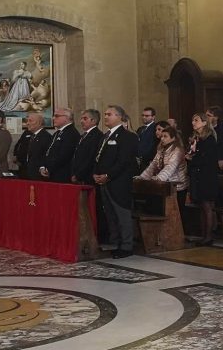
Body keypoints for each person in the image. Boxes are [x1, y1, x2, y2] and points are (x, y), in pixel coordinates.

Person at [92, 105, 139, 258]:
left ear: (119, 117)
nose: (106, 117)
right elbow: (99, 157)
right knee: (111, 214)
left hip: (119, 182)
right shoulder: (105, 136)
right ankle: (116, 242)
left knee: (122, 214)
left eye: (109, 114)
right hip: (104, 181)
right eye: (105, 114)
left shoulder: (128, 136)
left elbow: (123, 161)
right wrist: (96, 173)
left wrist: (108, 175)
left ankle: (126, 246)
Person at [186, 112, 221, 245]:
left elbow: (206, 158)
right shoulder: (197, 138)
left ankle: (208, 236)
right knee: (202, 205)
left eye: (196, 120)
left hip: (207, 176)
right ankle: (204, 234)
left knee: (207, 206)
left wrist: (193, 158)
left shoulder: (209, 139)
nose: (193, 123)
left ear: (205, 122)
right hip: (199, 175)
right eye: (193, 120)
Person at [138, 124, 188, 212]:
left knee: (177, 212)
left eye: (165, 136)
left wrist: (159, 178)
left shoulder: (178, 150)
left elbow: (170, 167)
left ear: (173, 138)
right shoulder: (161, 149)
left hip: (177, 186)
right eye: (161, 136)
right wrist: (142, 177)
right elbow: (153, 165)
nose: (162, 139)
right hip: (165, 184)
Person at [38, 108, 80, 183]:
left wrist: (49, 168)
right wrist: (42, 167)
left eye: (57, 116)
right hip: (51, 174)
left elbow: (64, 155)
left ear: (66, 118)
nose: (53, 118)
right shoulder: (57, 133)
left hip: (62, 175)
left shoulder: (71, 133)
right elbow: (47, 152)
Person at [71, 109, 103, 185]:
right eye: (81, 118)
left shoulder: (97, 136)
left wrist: (78, 175)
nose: (81, 121)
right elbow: (75, 156)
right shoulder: (83, 136)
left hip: (87, 177)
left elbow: (90, 158)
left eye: (85, 119)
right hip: (77, 176)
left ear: (94, 121)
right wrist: (73, 173)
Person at [20, 112, 52, 181]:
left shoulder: (45, 137)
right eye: (27, 121)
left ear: (39, 123)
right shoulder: (33, 136)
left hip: (39, 176)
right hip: (29, 173)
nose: (27, 123)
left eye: (30, 121)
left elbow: (45, 156)